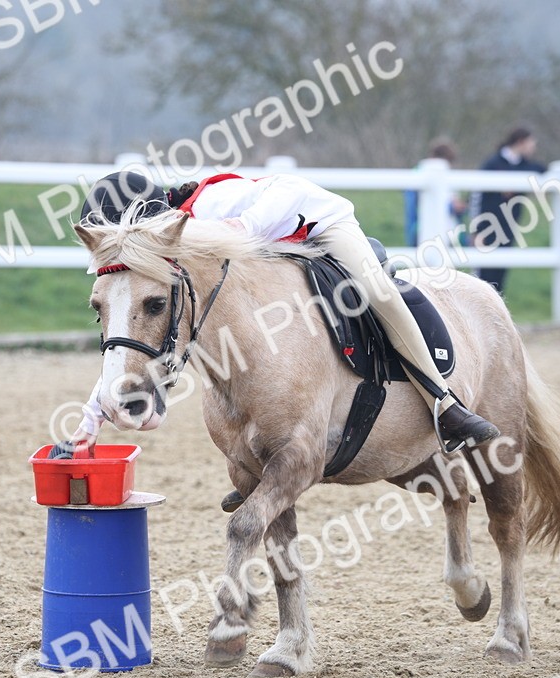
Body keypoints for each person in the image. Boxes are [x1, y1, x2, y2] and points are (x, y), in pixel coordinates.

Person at [68, 170, 501, 470]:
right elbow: (133, 332)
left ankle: (444, 402)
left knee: (379, 292)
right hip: (277, 243)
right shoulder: (172, 244)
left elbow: (290, 193)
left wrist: (246, 226)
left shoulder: (209, 212)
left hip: (319, 222)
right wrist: (92, 418)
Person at [468, 128, 546, 294]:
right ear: (520, 142)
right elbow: (476, 196)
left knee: (500, 277)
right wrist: (475, 230)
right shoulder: (492, 164)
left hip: (509, 228)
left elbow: (543, 170)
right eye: (531, 143)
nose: (533, 148)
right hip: (487, 228)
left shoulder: (525, 165)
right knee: (483, 279)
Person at [403, 137, 467, 248]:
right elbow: (422, 205)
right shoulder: (420, 175)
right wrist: (451, 207)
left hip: (446, 231)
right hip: (422, 230)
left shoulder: (444, 176)